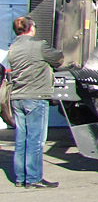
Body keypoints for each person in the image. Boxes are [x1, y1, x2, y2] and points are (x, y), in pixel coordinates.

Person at [6, 15, 64, 188]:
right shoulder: (38, 46)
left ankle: (20, 178)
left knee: (21, 138)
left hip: (17, 97)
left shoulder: (13, 48)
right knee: (36, 139)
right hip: (36, 96)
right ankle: (33, 178)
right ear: (31, 28)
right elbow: (58, 59)